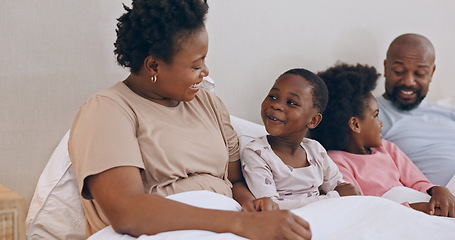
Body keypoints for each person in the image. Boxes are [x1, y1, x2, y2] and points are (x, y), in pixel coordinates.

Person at [68, 0, 312, 239]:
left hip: (227, 224)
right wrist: (240, 223)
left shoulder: (210, 105)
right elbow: (126, 212)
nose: (205, 72)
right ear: (154, 65)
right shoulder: (108, 110)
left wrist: (253, 207)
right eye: (196, 65)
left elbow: (235, 180)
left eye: (204, 60)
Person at [310, 63, 455, 217]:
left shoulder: (387, 148)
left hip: (422, 207)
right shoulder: (335, 163)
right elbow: (361, 208)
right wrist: (415, 208)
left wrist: (438, 190)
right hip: (392, 217)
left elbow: (418, 182)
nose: (381, 123)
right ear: (355, 124)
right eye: (375, 115)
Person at [241, 68, 360, 210]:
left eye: (291, 102)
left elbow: (338, 185)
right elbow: (269, 206)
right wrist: (333, 197)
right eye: (273, 96)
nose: (276, 105)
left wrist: (349, 192)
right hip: (289, 222)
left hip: (326, 215)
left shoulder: (315, 149)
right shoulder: (256, 153)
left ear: (313, 120)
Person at [377, 33, 455, 187]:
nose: (408, 82)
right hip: (436, 201)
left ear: (431, 73)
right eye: (399, 71)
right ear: (386, 68)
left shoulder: (447, 112)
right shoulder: (370, 115)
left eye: (419, 73)